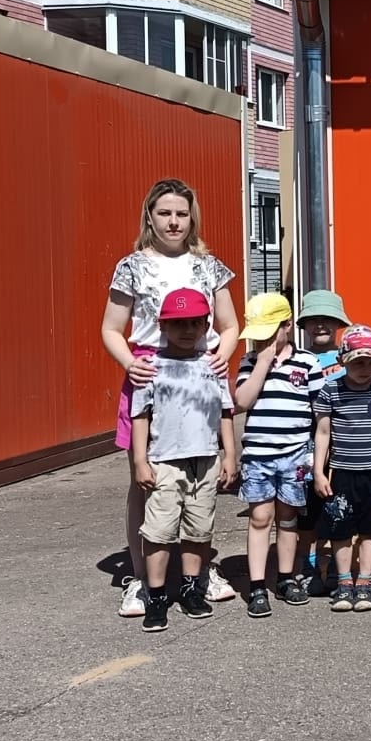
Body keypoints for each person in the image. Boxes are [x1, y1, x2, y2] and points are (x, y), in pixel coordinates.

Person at [100, 178, 240, 618]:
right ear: (150, 216)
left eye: (182, 213)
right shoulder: (132, 266)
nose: (174, 222)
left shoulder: (209, 266)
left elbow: (230, 325)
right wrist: (130, 363)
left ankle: (202, 571)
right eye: (165, 213)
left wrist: (222, 354)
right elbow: (111, 328)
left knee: (202, 479)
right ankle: (142, 578)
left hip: (199, 376)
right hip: (151, 376)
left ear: (192, 218)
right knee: (145, 481)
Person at [129, 289, 238, 632]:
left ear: (207, 325)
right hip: (164, 462)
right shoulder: (150, 368)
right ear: (162, 325)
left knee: (198, 530)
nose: (187, 330)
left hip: (205, 460)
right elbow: (140, 416)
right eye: (178, 323)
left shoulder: (213, 365)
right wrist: (140, 460)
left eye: (195, 323)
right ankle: (156, 595)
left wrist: (230, 454)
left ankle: (192, 589)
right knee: (159, 532)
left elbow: (225, 412)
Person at [233, 292, 324, 617]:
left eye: (269, 333)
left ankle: (286, 578)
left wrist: (318, 455)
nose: (262, 340)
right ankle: (258, 585)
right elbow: (242, 400)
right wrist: (262, 361)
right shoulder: (249, 361)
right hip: (259, 455)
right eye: (257, 335)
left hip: (294, 455)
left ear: (287, 325)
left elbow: (319, 413)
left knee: (288, 518)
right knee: (260, 517)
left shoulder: (308, 362)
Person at [314, 325, 371, 613]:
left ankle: (364, 581)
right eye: (357, 362)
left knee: (370, 530)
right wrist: (319, 471)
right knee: (340, 529)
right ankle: (344, 581)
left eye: (369, 362)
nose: (364, 369)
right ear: (342, 361)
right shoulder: (331, 389)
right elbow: (323, 432)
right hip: (341, 472)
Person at [294, 289, 351, 594]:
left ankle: (338, 568)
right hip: (304, 447)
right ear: (303, 324)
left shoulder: (349, 358)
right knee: (307, 512)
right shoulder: (297, 359)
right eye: (313, 319)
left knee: (339, 508)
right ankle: (309, 564)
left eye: (327, 319)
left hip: (342, 446)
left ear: (338, 323)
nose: (320, 325)